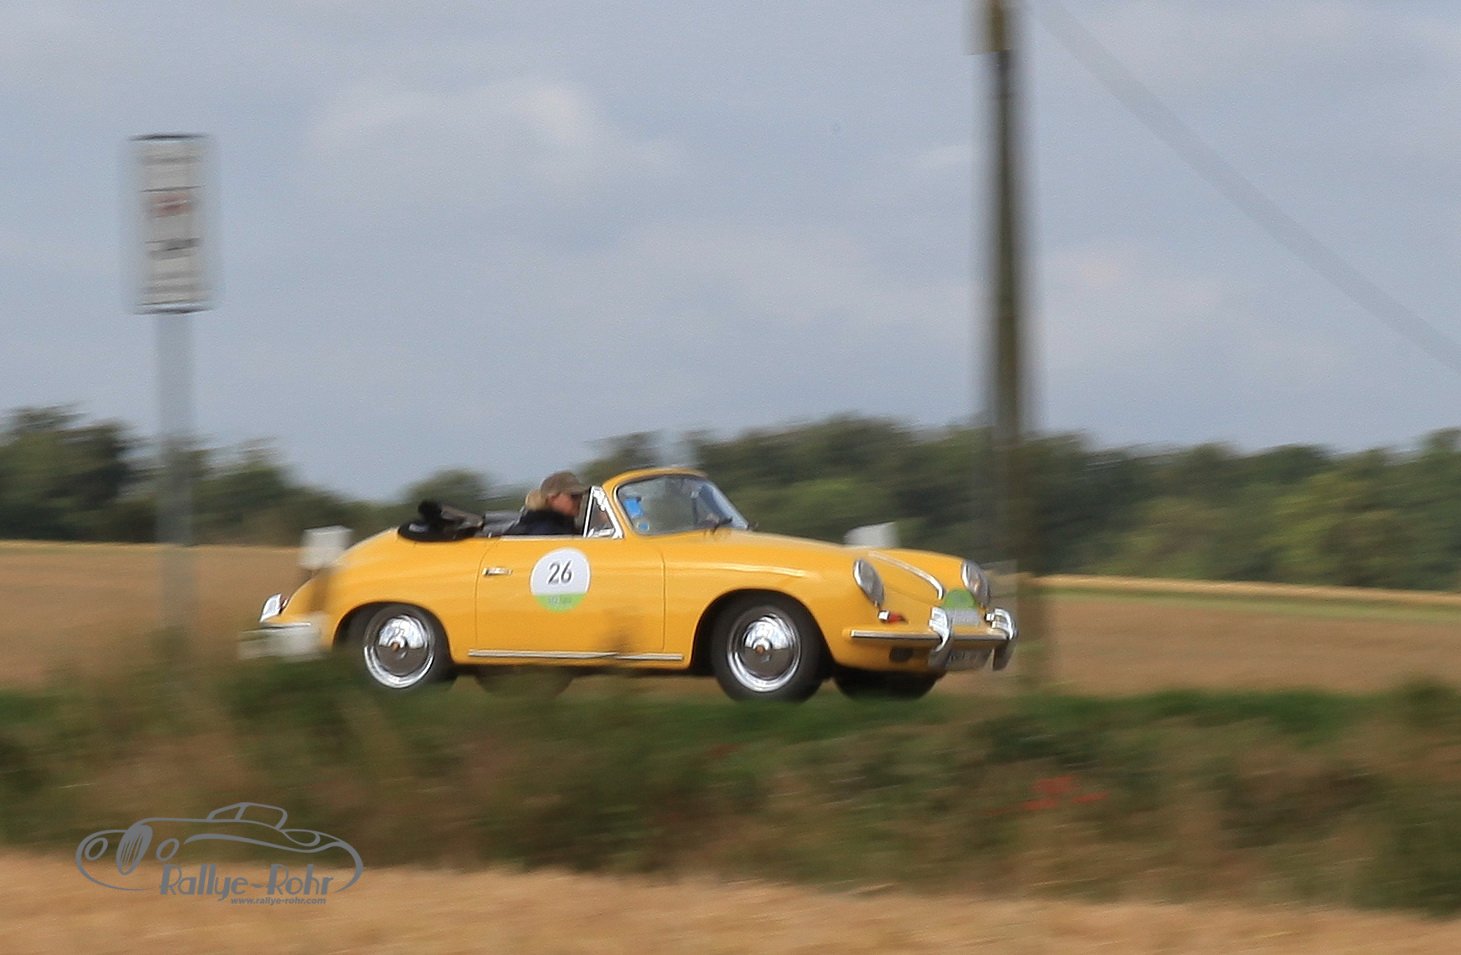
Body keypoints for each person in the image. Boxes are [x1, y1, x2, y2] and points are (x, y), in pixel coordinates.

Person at [503, 470, 588, 536]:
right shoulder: (543, 531)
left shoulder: (565, 527)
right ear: (552, 498)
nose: (579, 500)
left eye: (581, 495)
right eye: (574, 496)